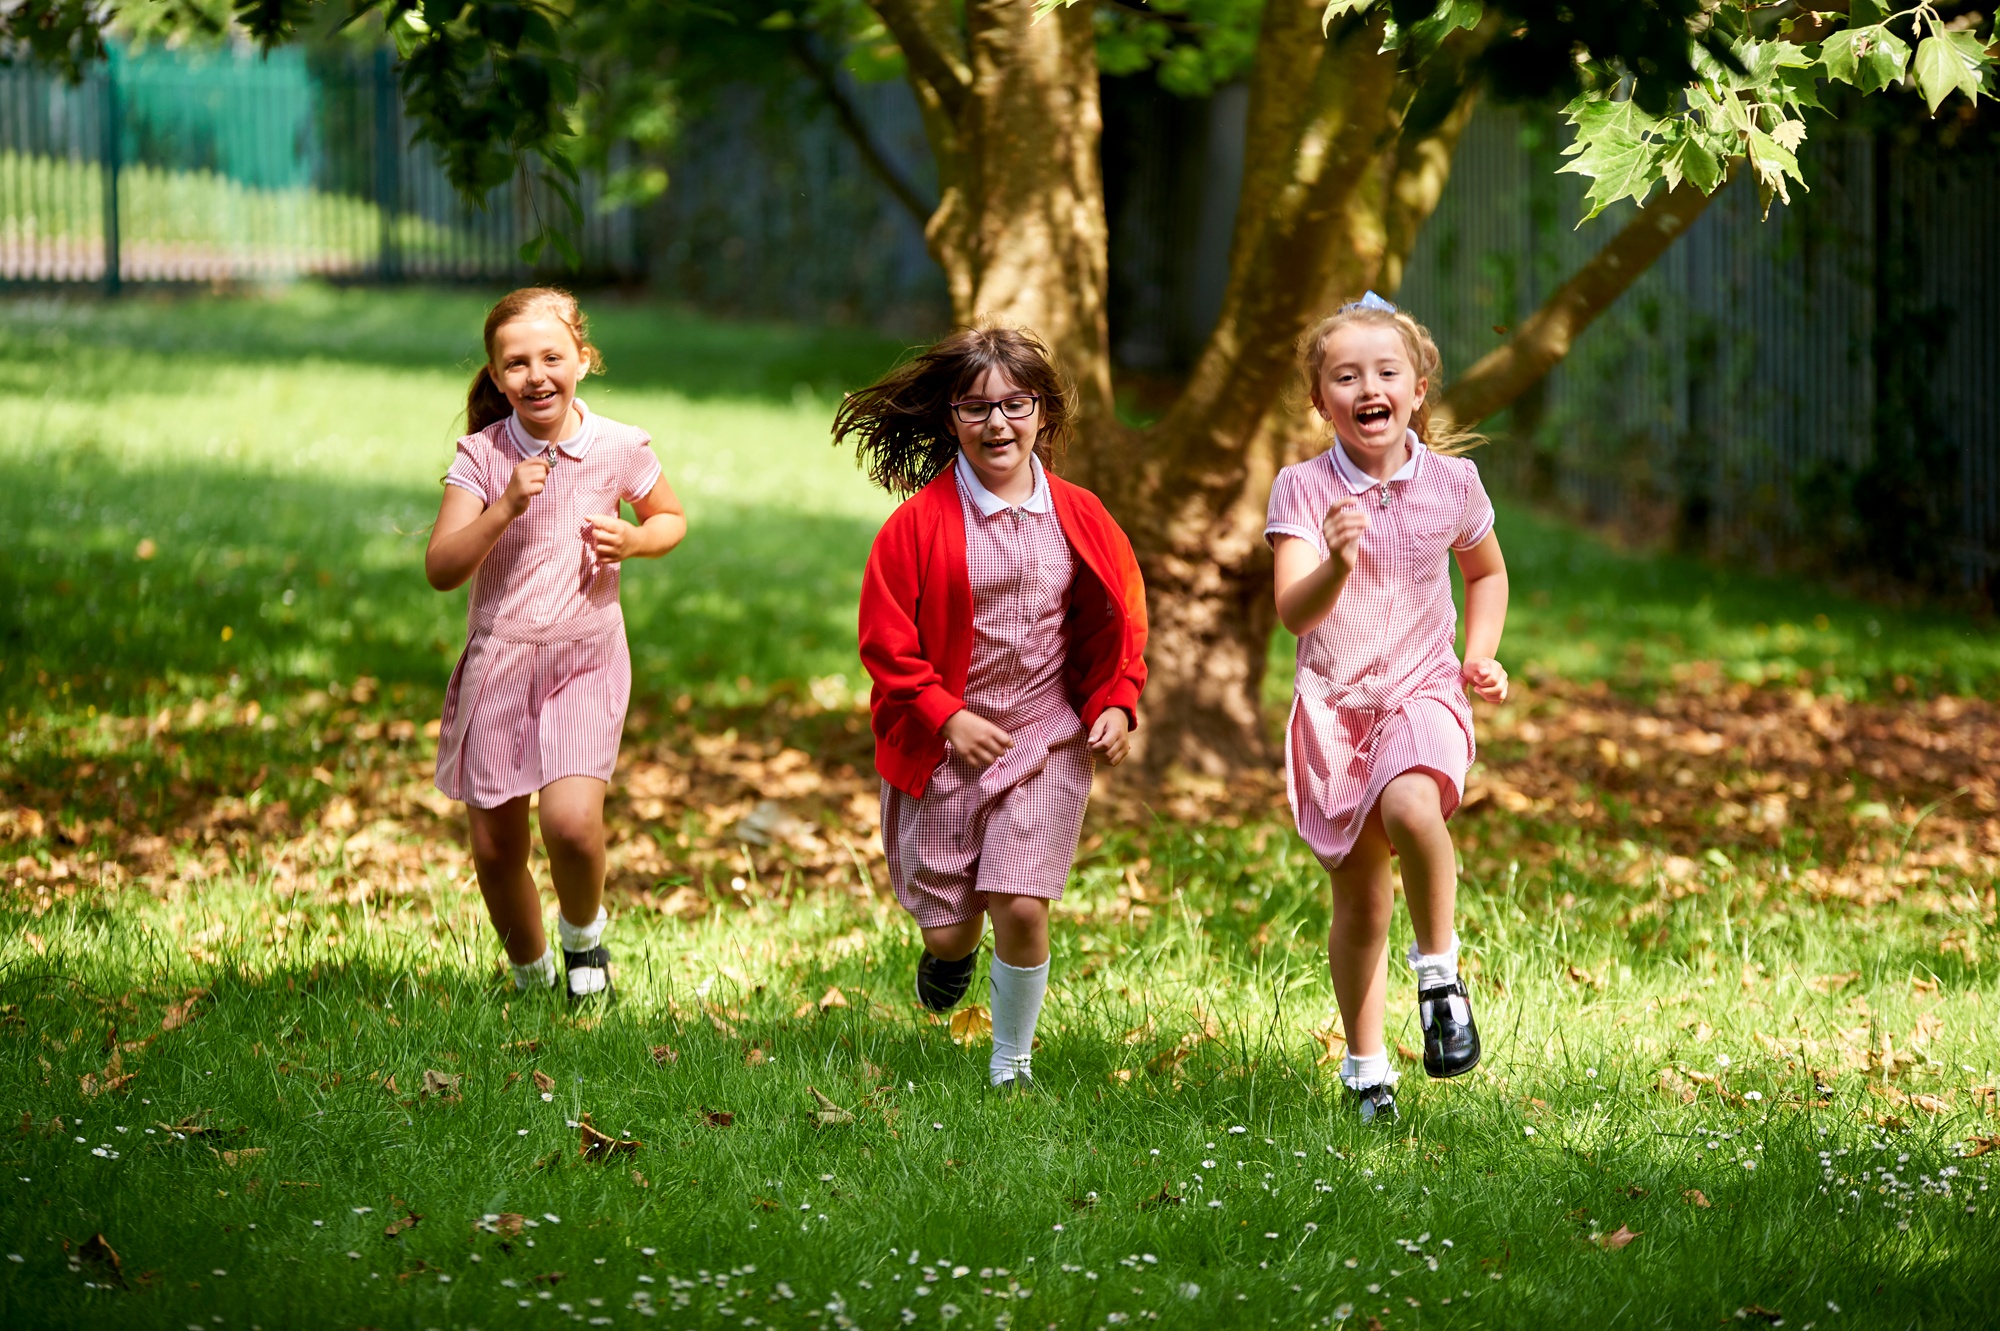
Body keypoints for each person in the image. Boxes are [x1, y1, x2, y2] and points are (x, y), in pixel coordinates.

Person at [836, 326, 1147, 1090]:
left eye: (1016, 403)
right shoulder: (916, 526)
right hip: (945, 745)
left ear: (1043, 412)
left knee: (1021, 902)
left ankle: (1012, 1063)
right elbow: (884, 642)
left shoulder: (1080, 514)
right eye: (977, 407)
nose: (998, 422)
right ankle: (950, 956)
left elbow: (1124, 617)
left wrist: (1117, 703)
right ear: (950, 418)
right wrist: (944, 714)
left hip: (1046, 735)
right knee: (948, 928)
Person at [1265, 292, 1509, 1123]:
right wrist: (1334, 560)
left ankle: (1439, 976)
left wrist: (1479, 655)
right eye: (1345, 375)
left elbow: (1486, 572)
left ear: (1417, 387)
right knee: (1362, 900)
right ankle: (1367, 1070)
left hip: (1422, 690)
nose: (1367, 386)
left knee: (1413, 801)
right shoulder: (1301, 490)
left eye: (1385, 371)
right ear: (1319, 398)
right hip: (1335, 709)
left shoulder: (1453, 482)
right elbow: (1295, 611)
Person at [424, 288, 686, 1004]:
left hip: (584, 660)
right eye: (517, 363)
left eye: (552, 357)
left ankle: (582, 937)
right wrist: (504, 505)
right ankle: (530, 972)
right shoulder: (481, 457)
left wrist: (635, 539)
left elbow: (669, 517)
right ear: (496, 373)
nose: (536, 375)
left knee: (571, 825)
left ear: (583, 359)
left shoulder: (619, 446)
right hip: (501, 663)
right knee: (496, 847)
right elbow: (443, 567)